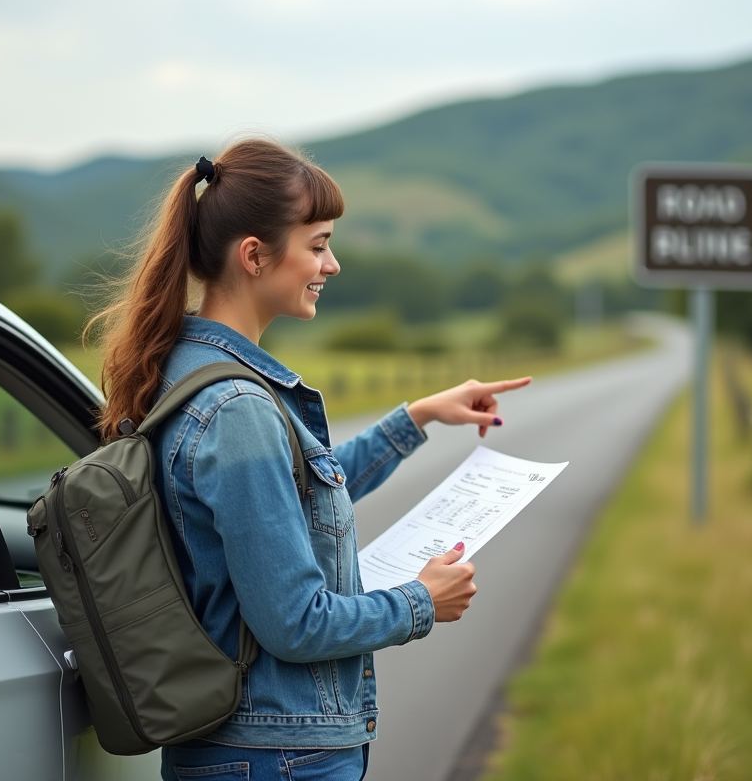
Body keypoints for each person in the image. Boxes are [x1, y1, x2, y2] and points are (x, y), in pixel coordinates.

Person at [90, 139, 530, 781]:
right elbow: (295, 623)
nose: (334, 264)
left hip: (253, 749)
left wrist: (418, 418)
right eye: (318, 245)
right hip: (276, 755)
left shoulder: (185, 369)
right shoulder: (237, 408)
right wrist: (420, 601)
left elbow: (291, 493)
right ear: (254, 255)